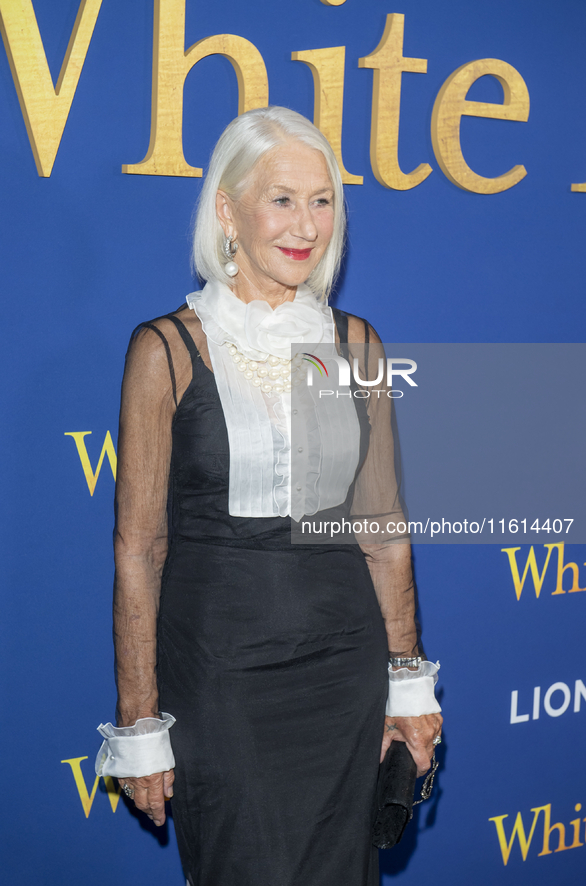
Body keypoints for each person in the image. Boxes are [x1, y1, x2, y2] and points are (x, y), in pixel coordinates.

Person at [95, 106, 442, 886]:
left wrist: (407, 684)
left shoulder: (355, 344)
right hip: (220, 681)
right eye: (281, 199)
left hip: (343, 672)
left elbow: (383, 531)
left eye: (322, 200)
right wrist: (141, 722)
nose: (306, 224)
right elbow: (139, 549)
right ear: (227, 208)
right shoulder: (168, 350)